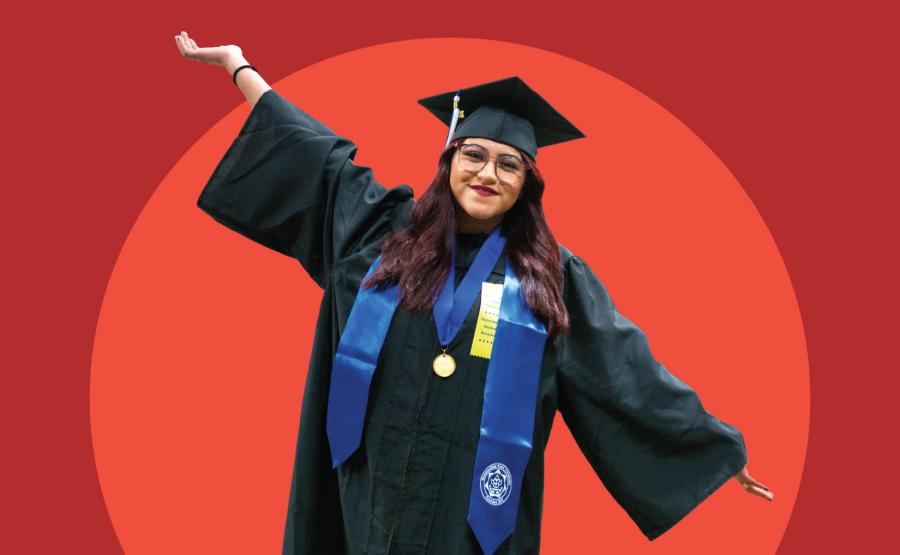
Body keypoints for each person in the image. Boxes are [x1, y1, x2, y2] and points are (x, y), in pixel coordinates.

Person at [175, 31, 774, 555]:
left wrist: (715, 450)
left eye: (508, 166)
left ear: (527, 185)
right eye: (475, 156)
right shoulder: (380, 233)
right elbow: (317, 160)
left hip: (471, 522)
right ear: (450, 161)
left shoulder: (551, 279)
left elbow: (625, 374)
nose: (487, 174)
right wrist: (239, 67)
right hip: (362, 497)